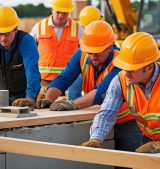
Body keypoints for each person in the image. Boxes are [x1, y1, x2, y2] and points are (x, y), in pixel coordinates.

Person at [81, 32, 160, 154]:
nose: (126, 73)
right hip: (148, 143)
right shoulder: (120, 80)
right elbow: (107, 114)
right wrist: (96, 138)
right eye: (124, 67)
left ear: (149, 66)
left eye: (132, 69)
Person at [36, 21, 142, 156]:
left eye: (97, 53)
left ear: (109, 47)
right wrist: (48, 99)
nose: (92, 57)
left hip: (126, 120)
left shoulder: (121, 60)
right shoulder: (81, 54)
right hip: (100, 116)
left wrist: (73, 104)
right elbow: (64, 78)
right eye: (89, 52)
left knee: (128, 160)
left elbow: (103, 91)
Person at [30, 0, 84, 101]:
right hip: (44, 81)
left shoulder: (78, 29)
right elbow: (29, 53)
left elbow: (85, 53)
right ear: (52, 10)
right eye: (58, 12)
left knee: (68, 111)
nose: (61, 16)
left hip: (69, 81)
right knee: (44, 110)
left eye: (65, 13)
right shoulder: (39, 27)